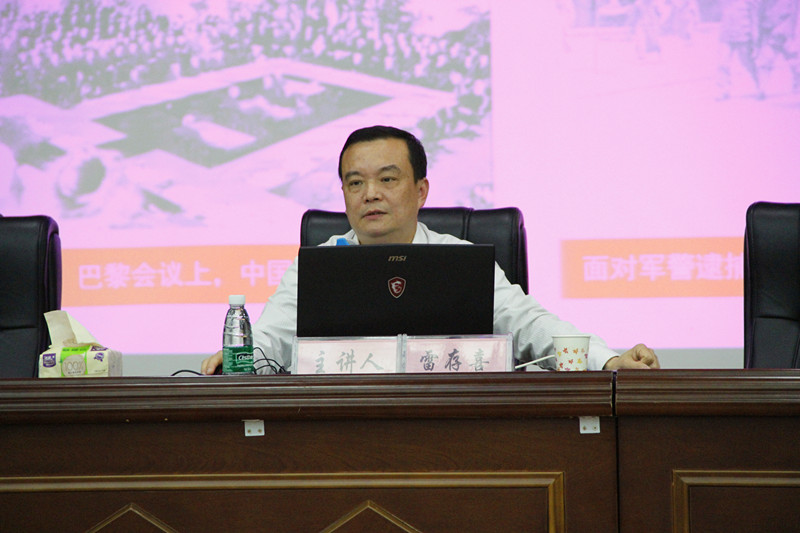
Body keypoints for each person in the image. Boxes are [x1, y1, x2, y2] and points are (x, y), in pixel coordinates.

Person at [202, 125, 659, 375]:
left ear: (421, 190)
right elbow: (272, 337)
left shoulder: (458, 259)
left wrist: (607, 360)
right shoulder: (320, 264)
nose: (370, 194)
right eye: (355, 183)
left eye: (387, 179)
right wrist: (236, 362)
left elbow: (529, 324)